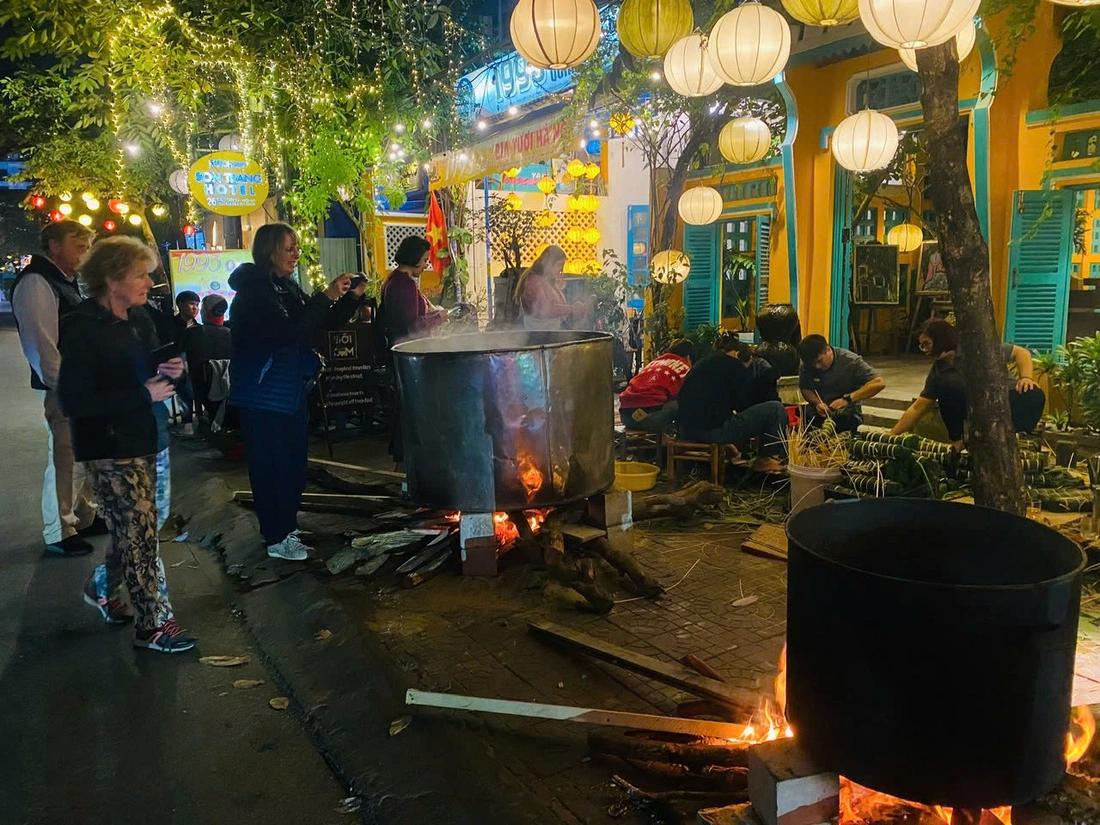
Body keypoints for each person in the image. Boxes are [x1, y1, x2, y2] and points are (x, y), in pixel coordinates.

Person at [57, 236, 194, 652]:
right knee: (140, 534)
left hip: (147, 435)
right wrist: (142, 395)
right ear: (112, 277)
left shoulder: (139, 320)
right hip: (110, 447)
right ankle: (153, 625)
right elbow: (74, 399)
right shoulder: (81, 327)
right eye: (140, 274)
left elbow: (139, 371)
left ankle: (102, 585)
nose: (149, 282)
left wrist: (169, 369)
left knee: (136, 530)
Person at [228, 223, 366, 561]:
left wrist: (350, 299)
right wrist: (326, 296)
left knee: (292, 464)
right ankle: (276, 537)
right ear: (270, 251)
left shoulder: (285, 286)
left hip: (289, 390)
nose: (296, 254)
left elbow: (318, 325)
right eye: (289, 248)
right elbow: (288, 331)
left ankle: (286, 527)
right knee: (270, 465)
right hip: (263, 394)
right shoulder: (255, 291)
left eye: (297, 247)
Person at [11, 219, 99, 556]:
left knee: (84, 453)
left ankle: (85, 515)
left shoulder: (67, 282)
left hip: (81, 384)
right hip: (63, 386)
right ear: (54, 246)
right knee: (66, 456)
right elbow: (41, 345)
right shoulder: (36, 282)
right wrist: (64, 387)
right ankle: (59, 529)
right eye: (78, 245)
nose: (84, 253)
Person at [891, 319, 1045, 449]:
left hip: (1004, 399)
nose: (924, 349)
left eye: (927, 344)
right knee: (947, 388)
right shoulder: (939, 371)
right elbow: (919, 407)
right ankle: (960, 441)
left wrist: (1026, 377)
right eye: (921, 345)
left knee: (1033, 394)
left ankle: (1019, 436)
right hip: (973, 412)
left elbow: (1020, 353)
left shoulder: (977, 348)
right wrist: (892, 435)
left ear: (940, 339)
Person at [677, 332, 789, 473]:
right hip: (712, 432)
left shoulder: (702, 363)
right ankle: (765, 460)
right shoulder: (734, 365)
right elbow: (743, 405)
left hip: (685, 430)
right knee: (775, 409)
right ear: (736, 354)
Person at [798, 334, 886, 433]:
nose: (817, 366)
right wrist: (817, 403)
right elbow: (805, 388)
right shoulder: (806, 365)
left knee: (846, 421)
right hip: (819, 413)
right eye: (813, 364)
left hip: (845, 414)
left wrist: (847, 399)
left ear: (828, 350)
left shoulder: (850, 361)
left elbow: (879, 383)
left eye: (819, 361)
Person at [379, 236, 446, 347]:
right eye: (424, 260)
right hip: (409, 351)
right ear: (415, 258)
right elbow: (412, 326)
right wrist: (438, 318)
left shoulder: (394, 279)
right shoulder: (404, 284)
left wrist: (437, 314)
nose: (425, 265)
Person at [618, 339, 695, 435]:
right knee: (680, 402)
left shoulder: (655, 362)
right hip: (649, 419)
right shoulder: (683, 367)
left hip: (626, 417)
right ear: (688, 357)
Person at [513, 245, 588, 331]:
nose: (560, 270)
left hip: (551, 332)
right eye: (559, 265)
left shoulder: (546, 281)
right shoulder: (534, 281)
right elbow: (544, 310)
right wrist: (571, 308)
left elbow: (556, 306)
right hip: (539, 335)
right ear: (548, 262)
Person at [183, 294, 233, 419]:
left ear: (205, 311)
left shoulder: (192, 333)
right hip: (230, 388)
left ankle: (187, 422)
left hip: (200, 389)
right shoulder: (232, 333)